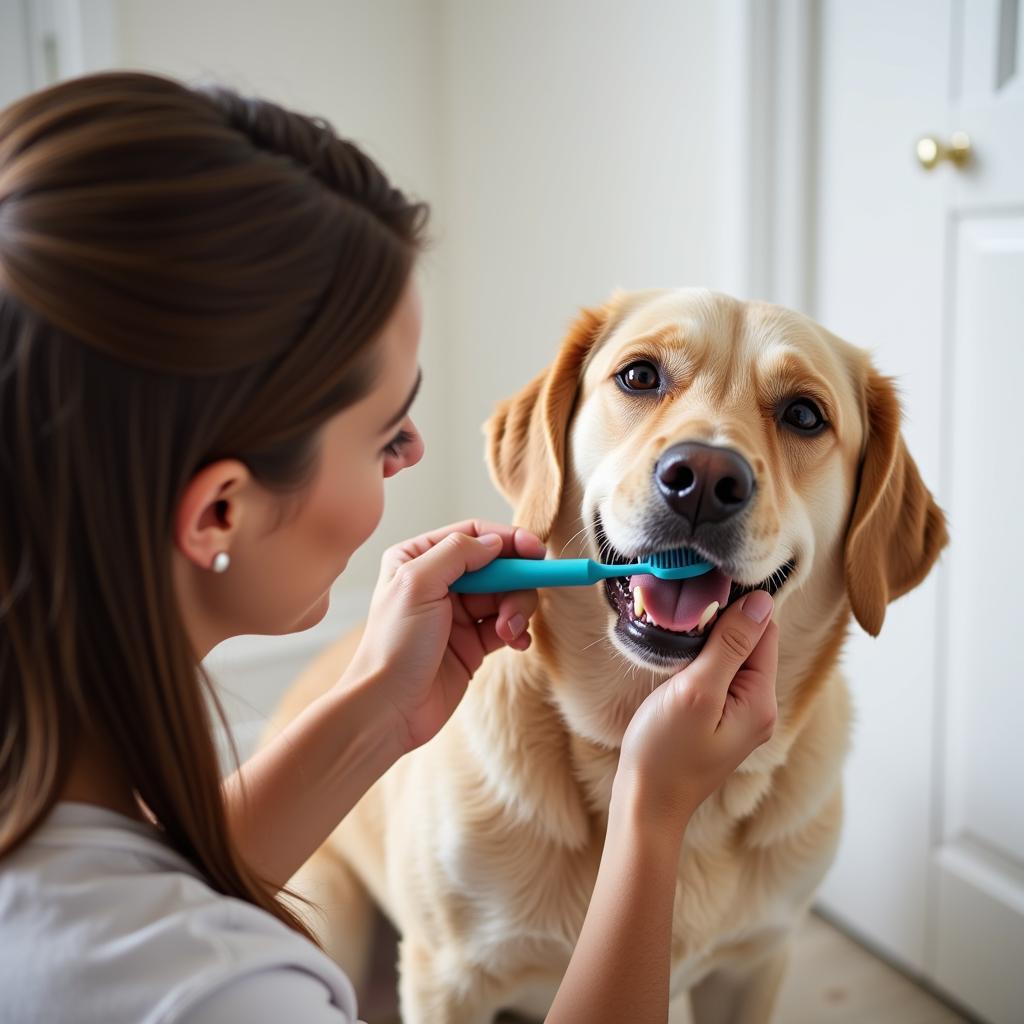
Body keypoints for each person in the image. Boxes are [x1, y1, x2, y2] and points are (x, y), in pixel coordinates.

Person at [0, 72, 779, 1024]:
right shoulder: (225, 997)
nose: (413, 455)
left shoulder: (49, 818)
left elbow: (157, 883)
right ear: (218, 516)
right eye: (384, 433)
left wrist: (379, 706)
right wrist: (652, 820)